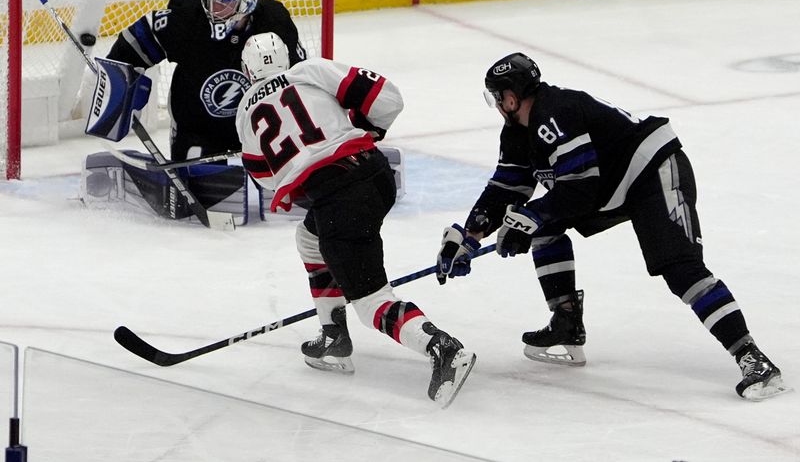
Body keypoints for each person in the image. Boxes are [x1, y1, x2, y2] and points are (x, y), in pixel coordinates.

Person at [435, 52, 790, 401]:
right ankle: (567, 323)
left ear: (510, 98)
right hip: (609, 187)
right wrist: (469, 236)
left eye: (497, 97)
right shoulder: (517, 132)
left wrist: (529, 217)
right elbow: (506, 187)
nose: (497, 105)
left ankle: (753, 359)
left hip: (651, 172)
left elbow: (579, 188)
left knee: (680, 268)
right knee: (543, 225)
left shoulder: (554, 113)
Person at [235, 32, 477, 408]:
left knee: (370, 303)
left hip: (338, 200)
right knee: (309, 239)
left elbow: (266, 179)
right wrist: (363, 130)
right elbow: (387, 97)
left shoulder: (245, 114)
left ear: (247, 71)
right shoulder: (310, 70)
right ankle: (333, 337)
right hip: (376, 175)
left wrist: (304, 159)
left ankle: (442, 348)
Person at [105, 0, 307, 160]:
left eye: (224, 4)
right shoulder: (189, 18)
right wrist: (116, 84)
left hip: (255, 125)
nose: (214, 10)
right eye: (212, 2)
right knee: (192, 176)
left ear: (245, 2)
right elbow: (138, 39)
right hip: (195, 125)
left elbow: (297, 72)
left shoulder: (273, 20)